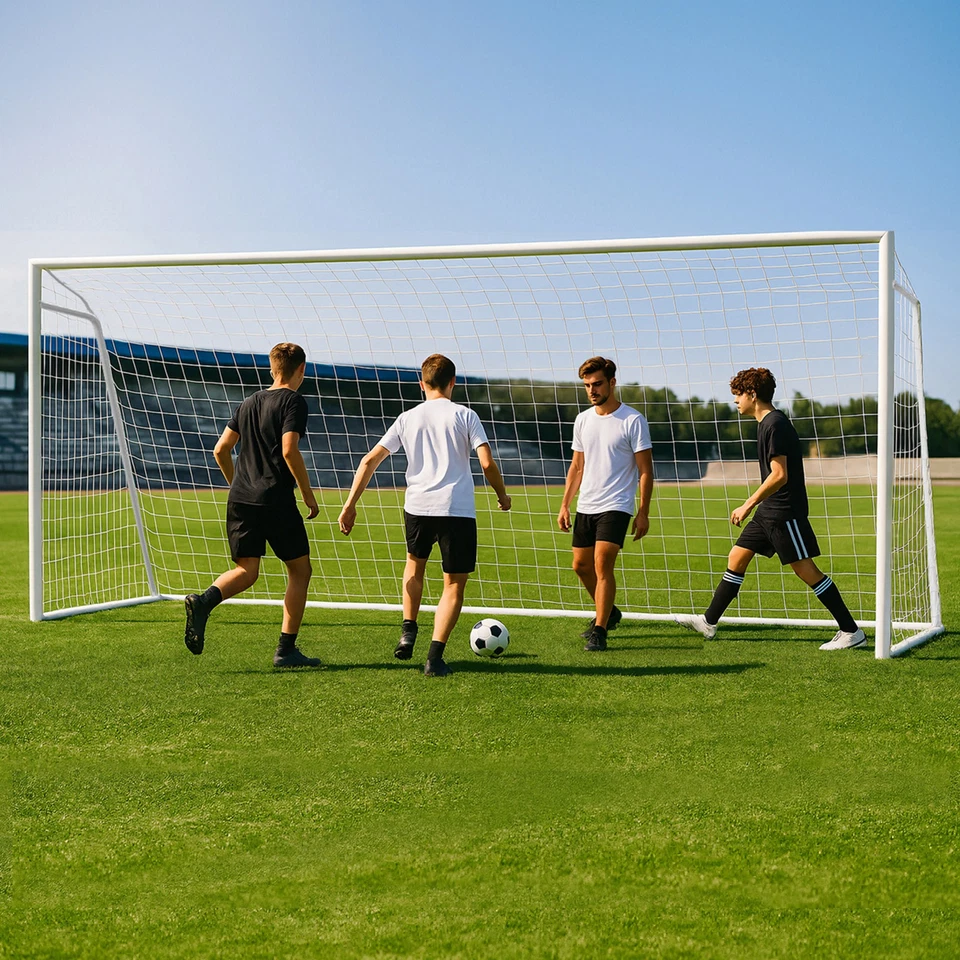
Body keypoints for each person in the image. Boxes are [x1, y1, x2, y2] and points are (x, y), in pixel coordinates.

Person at [337, 354, 512, 677]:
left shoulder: (407, 417)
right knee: (453, 584)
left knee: (413, 566)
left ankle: (408, 630)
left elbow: (369, 460)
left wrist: (350, 504)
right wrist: (502, 495)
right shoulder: (465, 415)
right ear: (453, 382)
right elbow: (486, 463)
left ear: (422, 383)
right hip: (455, 509)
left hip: (417, 506)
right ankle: (434, 657)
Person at [675, 367, 866, 651]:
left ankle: (851, 631)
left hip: (784, 512)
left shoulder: (774, 424)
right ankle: (708, 622)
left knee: (806, 570)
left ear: (752, 394)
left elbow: (779, 475)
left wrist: (748, 504)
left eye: (738, 394)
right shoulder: (766, 424)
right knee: (737, 556)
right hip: (769, 511)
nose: (735, 400)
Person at [184, 342, 322, 668]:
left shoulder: (248, 402)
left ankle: (204, 602)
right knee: (300, 571)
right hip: (275, 499)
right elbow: (289, 450)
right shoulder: (294, 400)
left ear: (272, 369)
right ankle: (286, 650)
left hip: (241, 498)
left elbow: (221, 450)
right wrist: (307, 494)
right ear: (301, 369)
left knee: (247, 571)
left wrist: (239, 485)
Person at [557, 356, 654, 651]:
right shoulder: (582, 420)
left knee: (602, 562)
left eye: (597, 383)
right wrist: (564, 505)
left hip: (617, 504)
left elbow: (646, 470)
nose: (591, 390)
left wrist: (643, 512)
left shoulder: (633, 420)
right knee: (580, 565)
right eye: (587, 385)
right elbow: (577, 467)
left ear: (612, 382)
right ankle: (609, 611)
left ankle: (599, 629)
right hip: (586, 504)